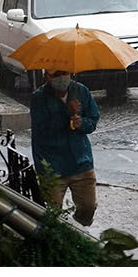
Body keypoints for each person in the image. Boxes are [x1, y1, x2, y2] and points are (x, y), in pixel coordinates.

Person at [27, 64, 100, 224]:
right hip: (52, 165)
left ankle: (76, 232)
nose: (61, 78)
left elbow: (93, 119)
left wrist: (81, 122)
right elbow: (42, 129)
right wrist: (66, 114)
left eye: (64, 73)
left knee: (89, 207)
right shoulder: (39, 97)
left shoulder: (81, 91)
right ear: (47, 76)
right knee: (53, 215)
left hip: (80, 161)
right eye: (56, 74)